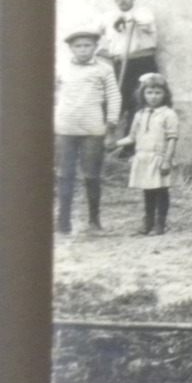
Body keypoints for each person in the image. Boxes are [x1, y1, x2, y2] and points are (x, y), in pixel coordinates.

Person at [55, 27, 121, 234]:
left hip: (93, 130)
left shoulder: (104, 69)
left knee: (91, 176)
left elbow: (114, 98)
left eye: (87, 45)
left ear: (95, 47)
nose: (83, 50)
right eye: (78, 46)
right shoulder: (61, 69)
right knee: (65, 175)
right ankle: (63, 222)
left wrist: (110, 126)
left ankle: (94, 221)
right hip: (65, 129)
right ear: (71, 49)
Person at [114, 73, 179, 235]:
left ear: (165, 94)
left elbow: (172, 139)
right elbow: (132, 137)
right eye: (149, 92)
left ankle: (160, 224)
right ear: (142, 94)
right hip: (143, 157)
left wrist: (167, 160)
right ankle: (147, 223)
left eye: (158, 93)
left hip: (159, 157)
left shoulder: (168, 114)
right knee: (148, 191)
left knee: (161, 191)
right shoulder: (139, 114)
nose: (153, 97)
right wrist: (113, 145)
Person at [95, 0, 159, 133]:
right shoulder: (106, 16)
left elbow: (146, 21)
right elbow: (91, 37)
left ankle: (131, 146)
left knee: (140, 102)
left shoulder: (143, 12)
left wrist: (127, 18)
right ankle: (107, 140)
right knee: (116, 101)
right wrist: (105, 53)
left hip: (143, 62)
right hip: (119, 63)